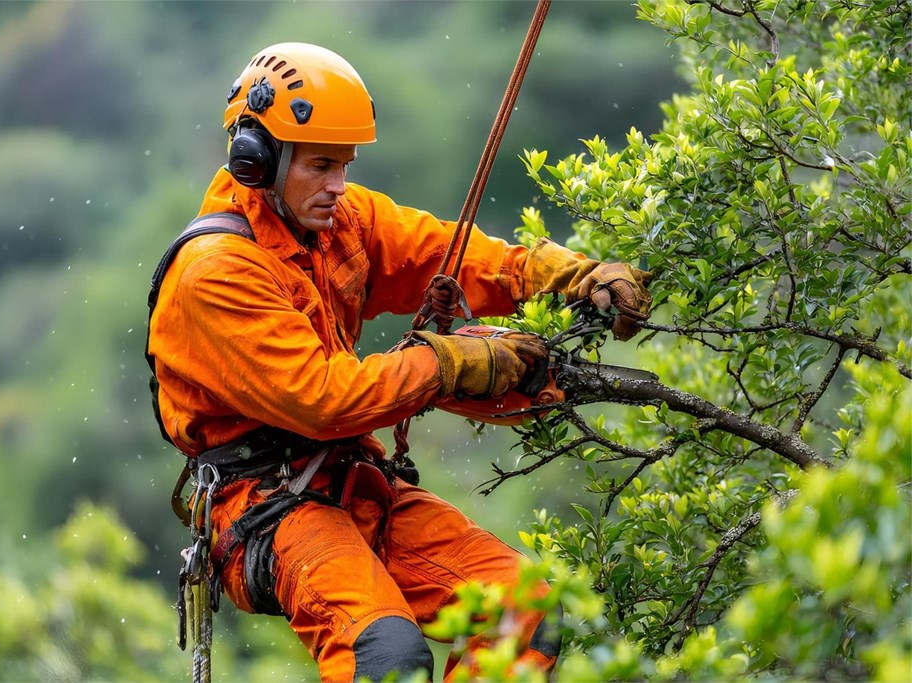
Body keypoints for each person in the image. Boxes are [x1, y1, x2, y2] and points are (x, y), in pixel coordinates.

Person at [147, 42, 651, 682]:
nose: (338, 185)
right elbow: (324, 400)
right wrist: (449, 364)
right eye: (321, 166)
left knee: (526, 613)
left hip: (351, 483)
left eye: (344, 165)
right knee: (385, 656)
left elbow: (448, 253)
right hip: (264, 508)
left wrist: (570, 276)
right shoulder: (215, 273)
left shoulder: (337, 220)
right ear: (258, 160)